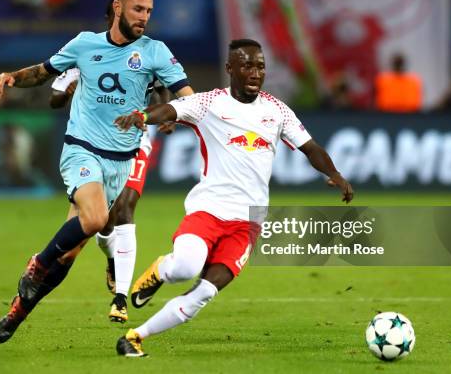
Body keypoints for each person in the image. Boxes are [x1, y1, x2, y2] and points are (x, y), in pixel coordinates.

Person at [112, 39, 354, 357]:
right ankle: (161, 270)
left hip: (248, 223)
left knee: (204, 293)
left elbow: (310, 147)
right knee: (185, 267)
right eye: (247, 65)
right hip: (208, 209)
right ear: (230, 69)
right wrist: (143, 117)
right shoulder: (209, 103)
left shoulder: (276, 110)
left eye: (261, 66)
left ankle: (134, 337)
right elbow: (171, 109)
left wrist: (333, 173)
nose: (255, 72)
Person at [0, 0, 195, 344]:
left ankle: (17, 312)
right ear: (118, 8)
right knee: (98, 220)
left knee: (68, 254)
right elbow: (42, 72)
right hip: (81, 149)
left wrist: (175, 114)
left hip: (120, 162)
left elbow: (185, 95)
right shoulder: (84, 44)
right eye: (137, 9)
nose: (144, 17)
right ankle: (36, 266)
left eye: (148, 11)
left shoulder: (156, 51)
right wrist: (10, 78)